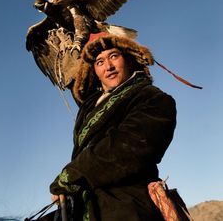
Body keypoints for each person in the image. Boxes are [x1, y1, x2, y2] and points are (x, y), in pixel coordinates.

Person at [50, 34, 177, 220]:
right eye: (99, 61)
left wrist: (70, 177)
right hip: (85, 206)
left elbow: (126, 147)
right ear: (93, 70)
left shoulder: (153, 98)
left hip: (128, 206)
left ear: (128, 58)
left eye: (114, 56)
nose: (108, 66)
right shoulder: (88, 109)